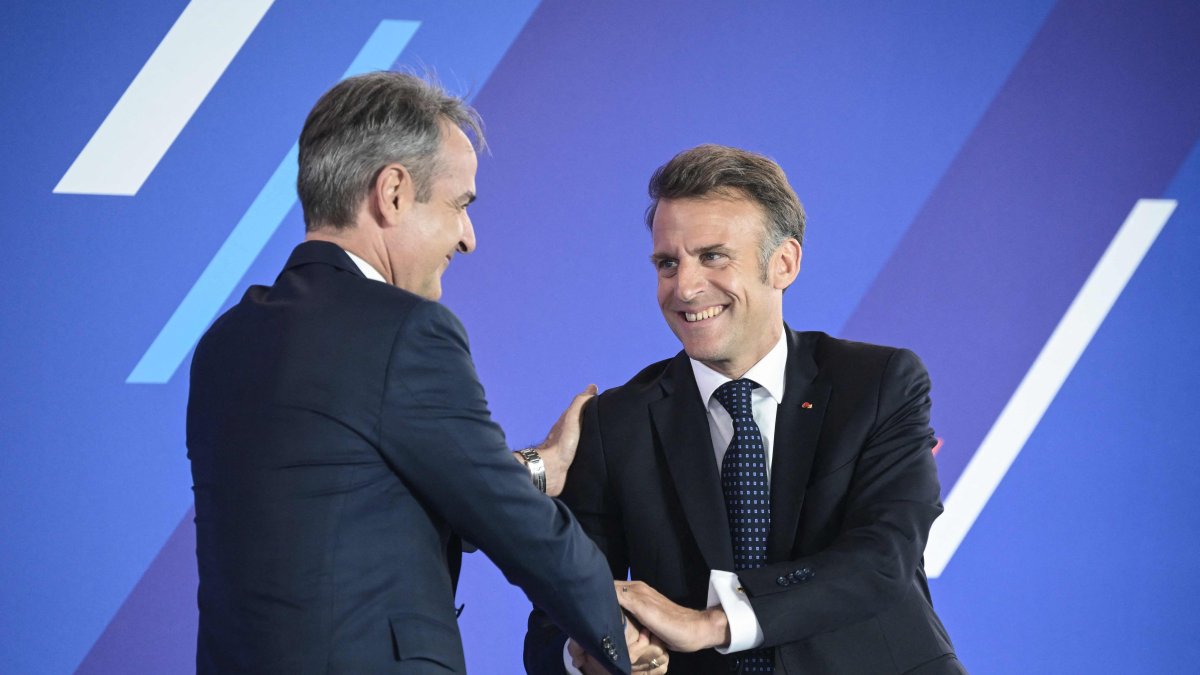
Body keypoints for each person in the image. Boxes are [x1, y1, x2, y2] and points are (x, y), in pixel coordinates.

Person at [187, 71, 658, 674]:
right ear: (393, 193)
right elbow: (511, 524)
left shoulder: (229, 341)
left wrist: (541, 467)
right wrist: (614, 631)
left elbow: (355, 504)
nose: (469, 238)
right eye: (460, 204)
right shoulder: (401, 330)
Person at [525, 145, 964, 674]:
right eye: (668, 263)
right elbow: (556, 623)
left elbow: (881, 558)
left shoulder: (876, 384)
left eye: (713, 256)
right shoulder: (613, 424)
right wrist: (597, 653)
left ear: (784, 263)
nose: (684, 288)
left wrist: (710, 623)